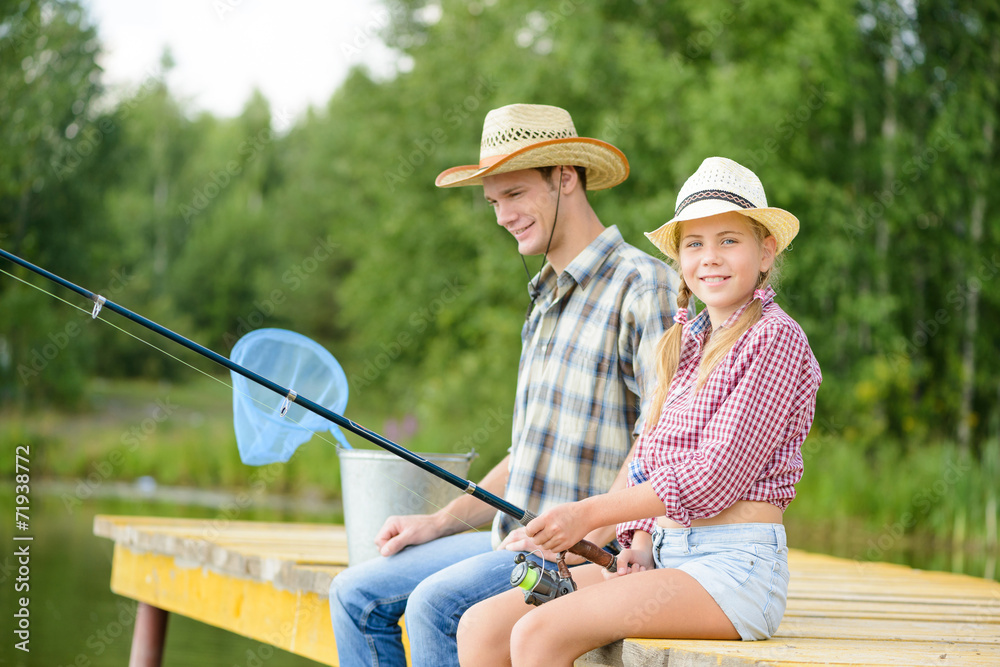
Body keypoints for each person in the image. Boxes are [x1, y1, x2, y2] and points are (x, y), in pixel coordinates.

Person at [329, 103, 680, 666]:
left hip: (582, 553)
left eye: (514, 195)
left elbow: (660, 438)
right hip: (510, 538)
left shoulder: (645, 288)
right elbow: (526, 457)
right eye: (494, 201)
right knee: (354, 594)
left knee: (434, 608)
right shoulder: (543, 299)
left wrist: (594, 531)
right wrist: (437, 522)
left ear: (565, 177)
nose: (501, 216)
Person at [456, 156, 823, 667]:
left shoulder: (775, 339)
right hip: (668, 557)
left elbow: (711, 478)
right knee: (482, 627)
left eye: (728, 240)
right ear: (680, 261)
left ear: (766, 250)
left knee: (539, 635)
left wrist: (585, 515)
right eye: (694, 244)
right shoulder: (685, 343)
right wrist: (641, 540)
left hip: (733, 571)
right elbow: (653, 458)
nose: (710, 258)